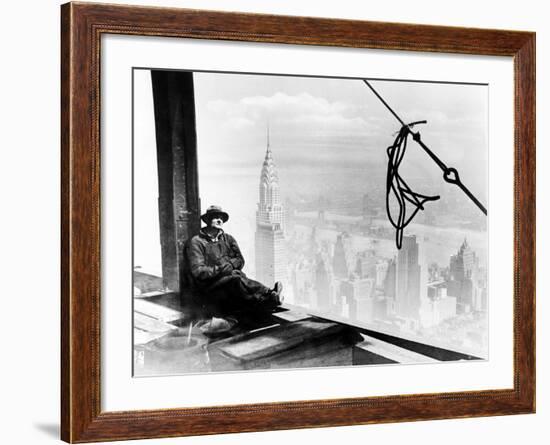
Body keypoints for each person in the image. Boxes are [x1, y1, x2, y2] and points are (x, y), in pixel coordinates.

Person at [185, 205, 283, 320]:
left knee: (237, 277)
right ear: (207, 220)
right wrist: (221, 269)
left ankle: (269, 294)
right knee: (235, 279)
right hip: (210, 286)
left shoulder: (228, 239)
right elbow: (198, 271)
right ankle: (268, 297)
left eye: (221, 218)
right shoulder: (197, 242)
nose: (219, 220)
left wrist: (231, 265)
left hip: (230, 279)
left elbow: (240, 260)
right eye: (215, 217)